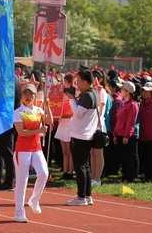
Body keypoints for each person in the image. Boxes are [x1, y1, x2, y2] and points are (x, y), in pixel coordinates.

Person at [12, 83, 53, 223]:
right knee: (22, 181)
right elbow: (21, 132)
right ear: (22, 96)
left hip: (36, 149)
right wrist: (39, 131)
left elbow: (50, 121)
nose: (28, 96)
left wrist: (47, 106)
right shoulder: (18, 112)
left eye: (31, 94)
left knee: (44, 173)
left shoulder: (38, 110)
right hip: (22, 150)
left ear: (35, 96)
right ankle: (19, 212)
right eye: (25, 94)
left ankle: (34, 200)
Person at [67, 69, 99, 206]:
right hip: (86, 134)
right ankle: (87, 195)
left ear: (86, 82)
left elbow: (78, 113)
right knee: (85, 166)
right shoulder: (93, 94)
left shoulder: (87, 96)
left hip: (80, 135)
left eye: (79, 81)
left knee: (80, 167)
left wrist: (71, 100)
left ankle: (81, 197)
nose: (77, 83)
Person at [113, 81, 139, 183]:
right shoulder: (124, 103)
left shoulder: (133, 104)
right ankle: (124, 175)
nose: (121, 91)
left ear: (128, 92)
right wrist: (115, 134)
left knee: (129, 157)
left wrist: (127, 135)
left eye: (123, 89)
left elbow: (130, 122)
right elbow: (119, 120)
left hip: (127, 135)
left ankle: (130, 177)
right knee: (123, 157)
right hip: (120, 134)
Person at [55, 74, 75, 180]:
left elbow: (74, 110)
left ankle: (70, 171)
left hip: (70, 123)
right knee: (64, 151)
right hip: (62, 123)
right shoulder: (61, 93)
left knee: (70, 150)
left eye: (65, 81)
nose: (63, 83)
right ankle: (65, 170)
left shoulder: (73, 93)